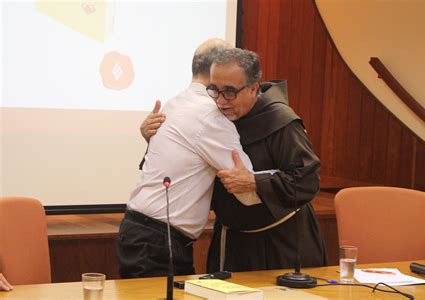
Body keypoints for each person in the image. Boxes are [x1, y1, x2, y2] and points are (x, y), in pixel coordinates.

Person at [141, 48, 327, 273]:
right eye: (214, 90)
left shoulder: (281, 122)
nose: (220, 101)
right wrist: (153, 137)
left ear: (253, 88)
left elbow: (306, 181)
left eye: (230, 92)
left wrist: (255, 183)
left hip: (282, 244)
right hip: (232, 242)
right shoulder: (213, 117)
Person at [117, 39, 260, 279]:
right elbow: (247, 192)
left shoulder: (174, 103)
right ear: (217, 70)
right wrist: (283, 179)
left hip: (140, 233)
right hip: (159, 243)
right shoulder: (210, 116)